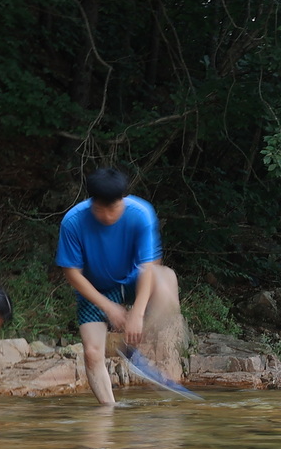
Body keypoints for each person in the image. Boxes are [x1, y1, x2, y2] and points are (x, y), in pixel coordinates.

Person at [56, 167, 186, 405]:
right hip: (96, 290)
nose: (108, 216)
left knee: (166, 278)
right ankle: (109, 412)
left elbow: (148, 266)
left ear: (122, 200)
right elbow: (72, 273)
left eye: (113, 208)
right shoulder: (73, 222)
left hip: (132, 280)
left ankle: (134, 349)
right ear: (91, 202)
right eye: (101, 209)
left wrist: (137, 311)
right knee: (92, 353)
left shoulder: (140, 214)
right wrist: (108, 306)